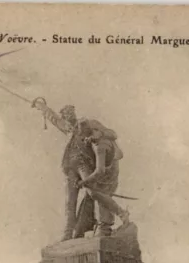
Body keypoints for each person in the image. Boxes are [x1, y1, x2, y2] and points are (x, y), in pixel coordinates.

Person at [32, 99, 129, 240]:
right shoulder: (66, 127)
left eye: (70, 113)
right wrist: (41, 106)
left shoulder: (88, 124)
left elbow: (112, 134)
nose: (68, 117)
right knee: (69, 201)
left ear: (74, 113)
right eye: (66, 115)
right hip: (70, 167)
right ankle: (67, 234)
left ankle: (120, 212)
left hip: (84, 165)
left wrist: (99, 135)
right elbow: (53, 117)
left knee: (93, 192)